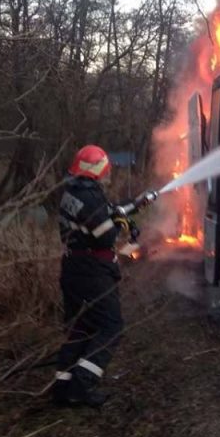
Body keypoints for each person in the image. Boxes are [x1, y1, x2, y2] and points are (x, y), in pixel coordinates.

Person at [51, 144, 135, 407]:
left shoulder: (72, 192)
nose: (108, 172)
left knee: (81, 327)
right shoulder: (90, 197)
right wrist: (120, 225)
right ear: (96, 169)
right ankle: (82, 384)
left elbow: (94, 219)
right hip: (93, 272)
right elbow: (105, 236)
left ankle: (62, 387)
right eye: (105, 168)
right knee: (111, 326)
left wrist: (122, 211)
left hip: (73, 268)